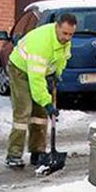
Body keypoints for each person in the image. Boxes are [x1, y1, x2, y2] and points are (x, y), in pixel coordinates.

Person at [5, 15, 75, 168]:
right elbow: (36, 82)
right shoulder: (42, 44)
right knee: (24, 111)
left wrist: (57, 75)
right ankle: (14, 154)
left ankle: (37, 152)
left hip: (40, 72)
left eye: (71, 34)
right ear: (57, 27)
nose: (67, 38)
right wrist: (48, 103)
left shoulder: (64, 42)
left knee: (40, 115)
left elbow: (62, 59)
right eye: (65, 33)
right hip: (20, 70)